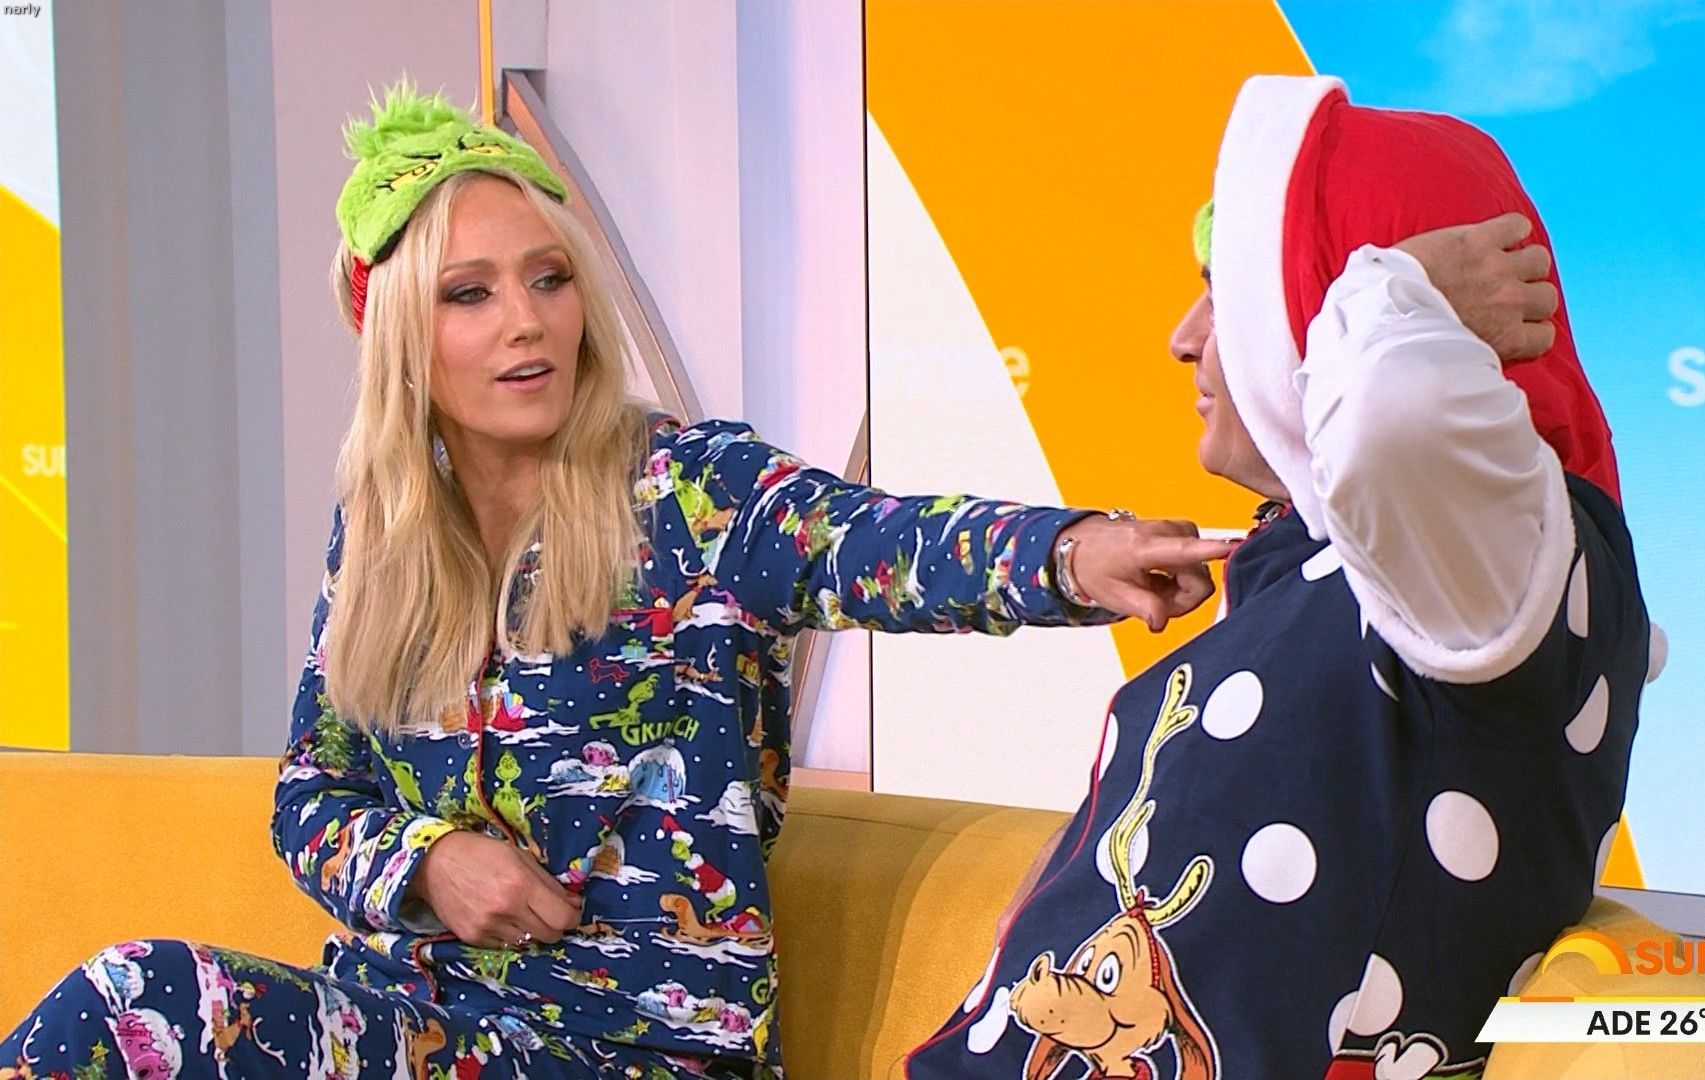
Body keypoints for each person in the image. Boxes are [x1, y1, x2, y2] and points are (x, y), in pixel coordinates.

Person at [0, 87, 1238, 1080]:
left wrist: (1075, 553)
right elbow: (310, 795)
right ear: (401, 338)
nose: (527, 322)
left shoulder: (691, 493)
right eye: (471, 295)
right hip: (405, 1027)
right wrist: (427, 863)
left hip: (632, 1053)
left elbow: (875, 542)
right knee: (137, 1009)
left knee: (140, 994)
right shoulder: (382, 535)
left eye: (548, 278)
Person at [905, 74, 1651, 1080]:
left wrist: (1397, 288)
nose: (1184, 338)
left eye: (1232, 295)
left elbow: (1396, 416)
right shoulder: (1364, 564)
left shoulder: (1494, 554)